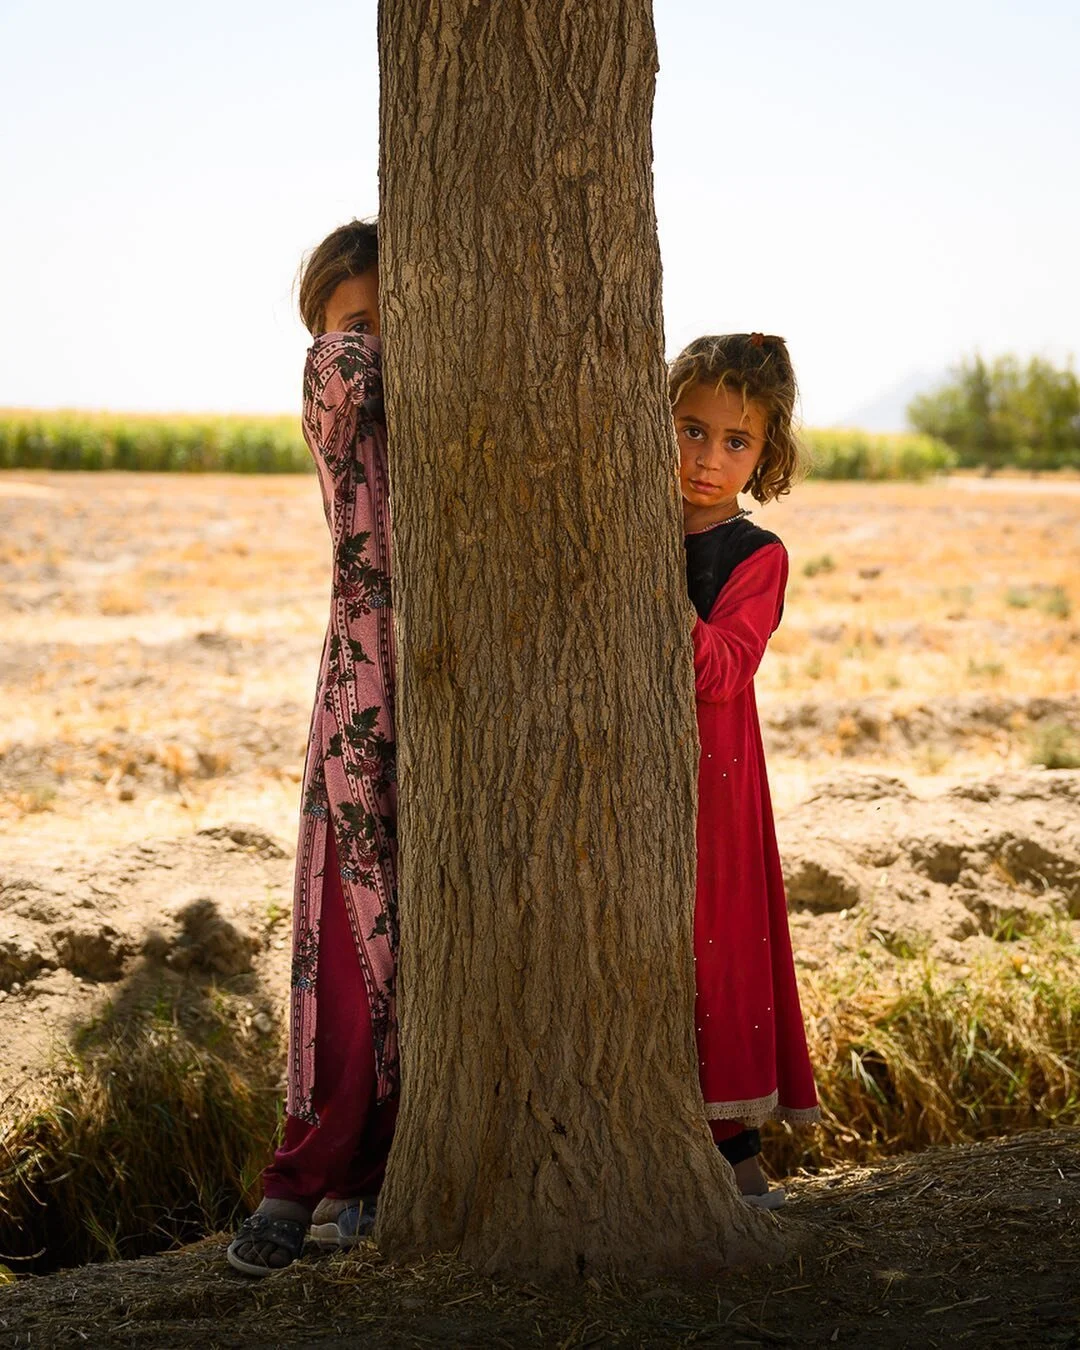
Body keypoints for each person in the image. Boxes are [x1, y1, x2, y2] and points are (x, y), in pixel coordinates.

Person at [228, 220, 397, 1275]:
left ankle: (382, 1174)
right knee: (350, 949)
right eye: (356, 320)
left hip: (472, 702)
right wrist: (373, 341)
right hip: (366, 699)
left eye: (392, 318)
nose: (371, 343)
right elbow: (337, 377)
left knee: (434, 950)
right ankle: (303, 1180)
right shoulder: (339, 403)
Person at [670, 333, 820, 1210]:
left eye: (737, 442)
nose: (708, 458)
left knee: (714, 940)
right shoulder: (621, 519)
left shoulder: (755, 555)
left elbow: (723, 667)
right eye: (691, 430)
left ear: (766, 455)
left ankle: (736, 1156)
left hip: (714, 779)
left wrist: (651, 587)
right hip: (620, 772)